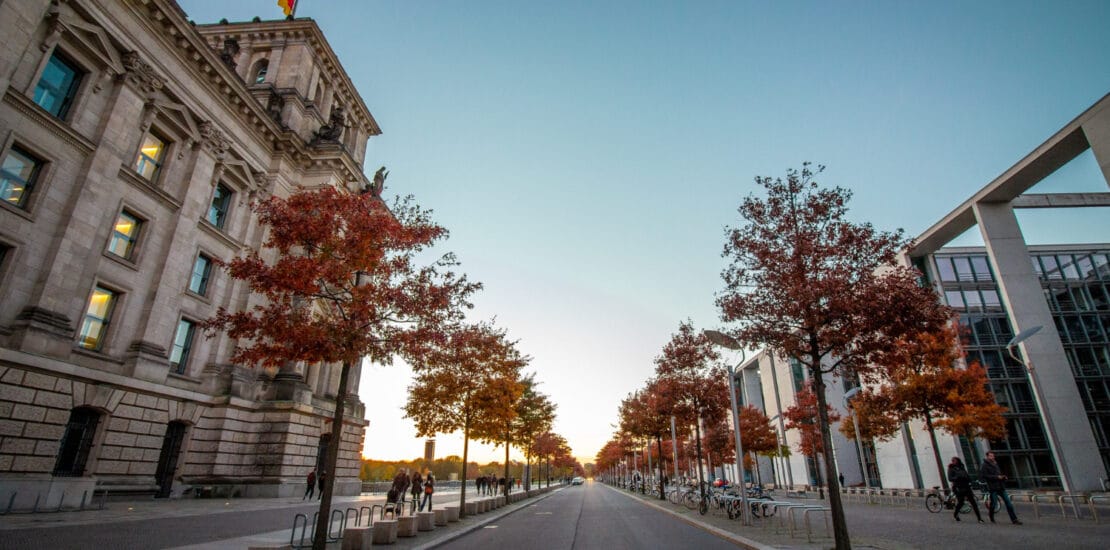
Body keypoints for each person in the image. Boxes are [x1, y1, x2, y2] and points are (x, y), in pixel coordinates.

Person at [980, 451, 1022, 524]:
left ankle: (1014, 519)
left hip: (1001, 486)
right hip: (993, 488)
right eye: (991, 456)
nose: (992, 457)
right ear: (987, 457)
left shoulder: (995, 464)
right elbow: (984, 476)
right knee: (993, 504)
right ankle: (991, 515)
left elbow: (999, 474)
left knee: (1009, 503)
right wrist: (997, 477)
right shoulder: (984, 465)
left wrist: (1003, 477)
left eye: (993, 456)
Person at [947, 457, 983, 523]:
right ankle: (955, 514)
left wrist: (970, 481)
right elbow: (950, 478)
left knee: (973, 502)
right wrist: (958, 477)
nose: (953, 462)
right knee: (961, 502)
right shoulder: (951, 468)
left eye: (954, 460)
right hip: (958, 487)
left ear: (958, 461)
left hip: (966, 486)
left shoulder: (962, 467)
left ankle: (979, 518)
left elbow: (966, 475)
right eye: (952, 460)